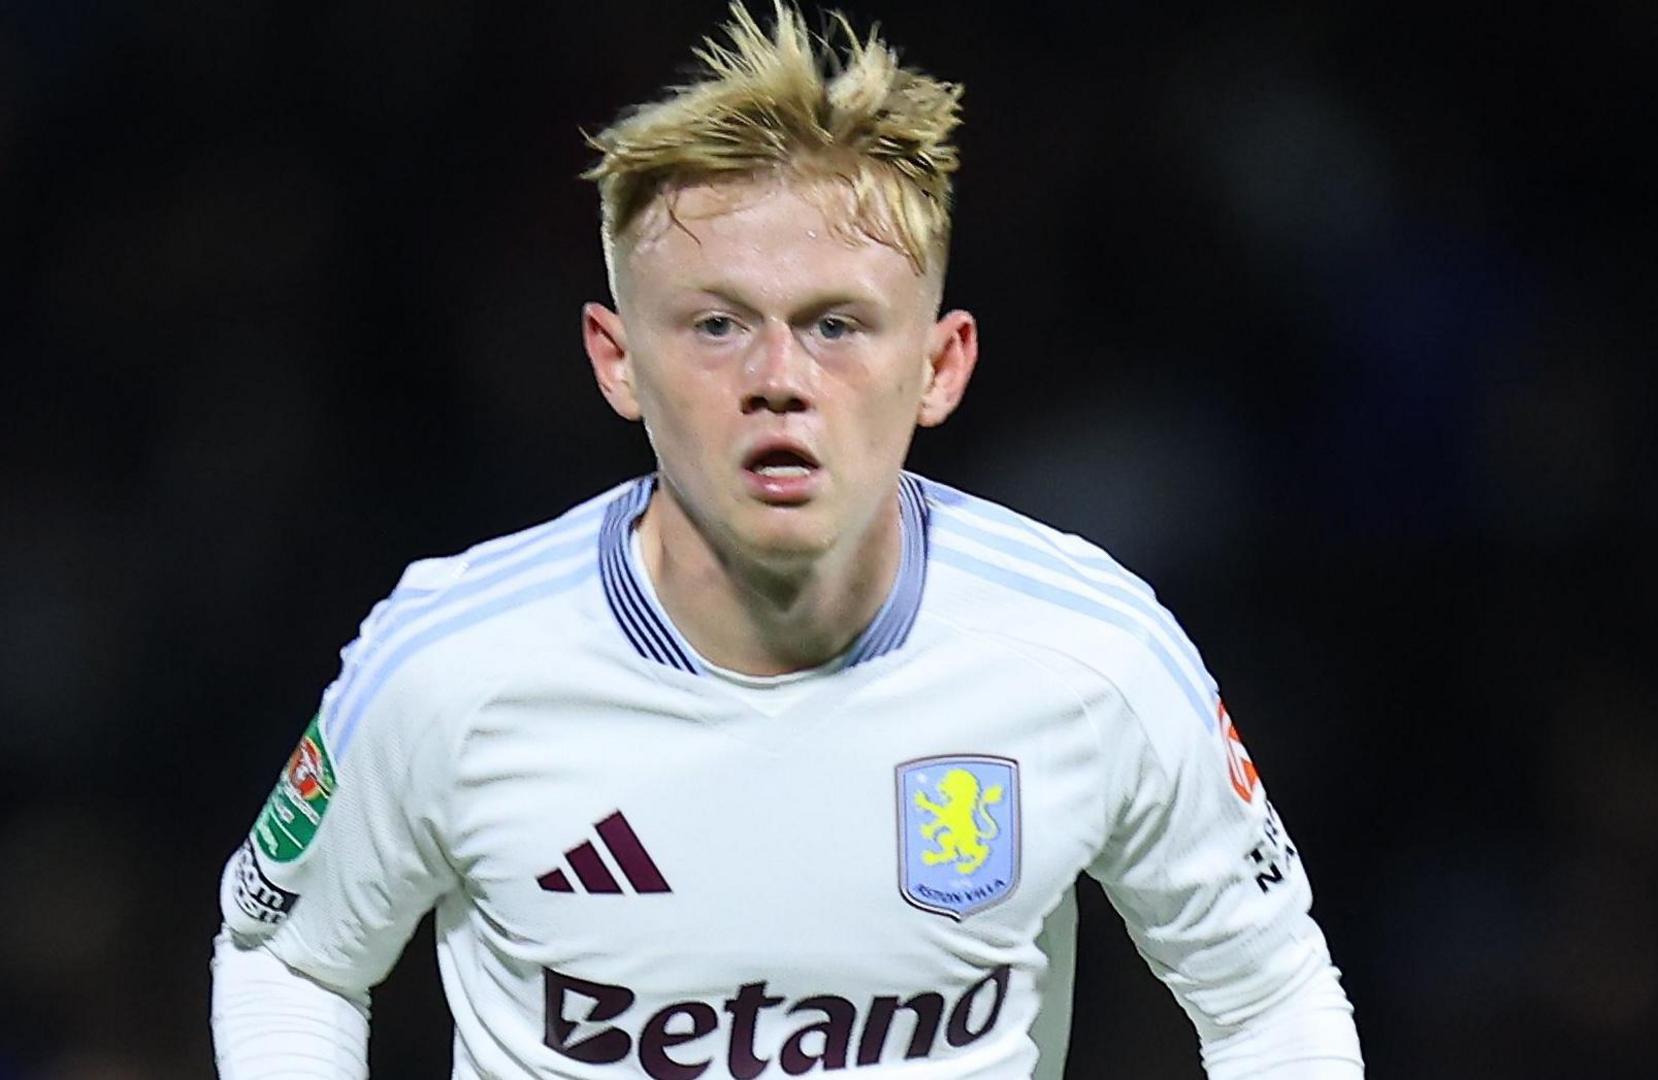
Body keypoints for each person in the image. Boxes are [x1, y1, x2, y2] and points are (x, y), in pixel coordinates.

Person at [208, 4, 1364, 1076]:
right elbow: (289, 959)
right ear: (617, 359)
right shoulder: (450, 664)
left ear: (940, 365)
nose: (778, 381)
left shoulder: (1090, 657)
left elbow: (1267, 998)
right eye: (716, 325)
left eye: (837, 325)